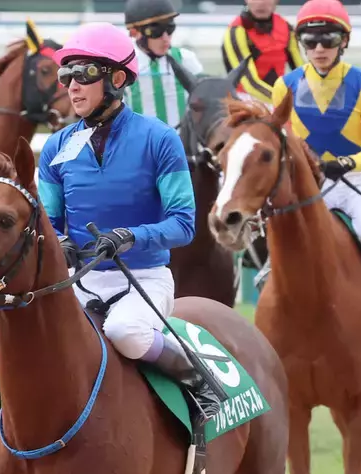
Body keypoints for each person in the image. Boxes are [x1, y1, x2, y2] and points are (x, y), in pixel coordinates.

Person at [38, 22, 224, 420]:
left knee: (124, 333)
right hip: (81, 281)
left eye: (84, 73)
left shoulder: (160, 139)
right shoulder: (55, 147)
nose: (72, 85)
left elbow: (183, 224)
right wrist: (59, 242)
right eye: (66, 74)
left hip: (145, 279)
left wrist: (129, 237)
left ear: (117, 78)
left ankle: (200, 381)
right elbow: (48, 222)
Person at [271, 0, 361, 292]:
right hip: (308, 186)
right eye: (310, 40)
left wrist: (348, 163)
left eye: (329, 38)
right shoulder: (284, 87)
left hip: (356, 185)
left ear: (344, 40)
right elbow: (281, 146)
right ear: (301, 43)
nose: (319, 48)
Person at [124, 0, 203, 129]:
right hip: (142, 145)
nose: (166, 38)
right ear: (134, 33)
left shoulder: (186, 59)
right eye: (156, 31)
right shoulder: (125, 66)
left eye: (170, 28)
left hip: (181, 144)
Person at [223, 0, 302, 105]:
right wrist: (284, 101)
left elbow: (301, 69)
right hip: (245, 99)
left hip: (279, 97)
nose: (261, 2)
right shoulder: (236, 30)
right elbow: (249, 82)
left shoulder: (285, 26)